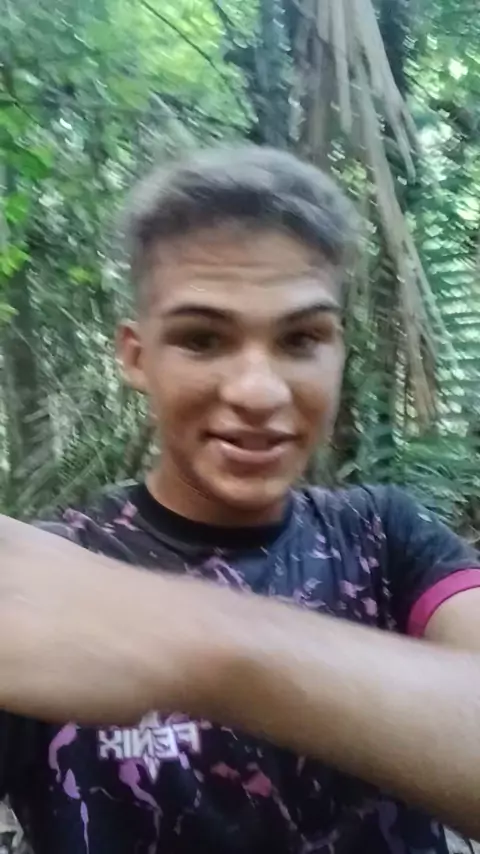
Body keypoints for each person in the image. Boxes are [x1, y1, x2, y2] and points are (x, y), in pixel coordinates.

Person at [0, 145, 479, 854]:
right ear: (136, 356)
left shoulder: (387, 539)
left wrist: (198, 645)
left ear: (339, 349)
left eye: (301, 338)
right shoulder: (48, 582)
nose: (258, 392)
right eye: (202, 340)